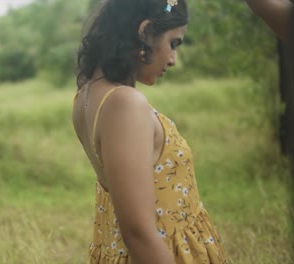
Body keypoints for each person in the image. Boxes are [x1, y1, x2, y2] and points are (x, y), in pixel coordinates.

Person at [72, 0, 226, 263]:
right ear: (145, 32)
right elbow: (139, 233)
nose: (173, 59)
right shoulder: (126, 104)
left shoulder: (87, 94)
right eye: (174, 43)